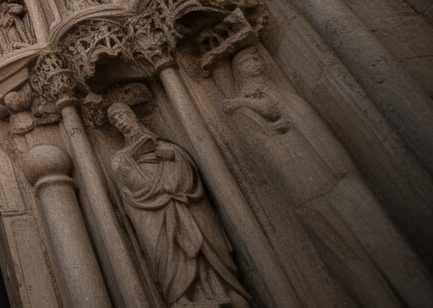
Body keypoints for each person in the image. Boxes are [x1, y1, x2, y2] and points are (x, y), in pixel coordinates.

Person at [223, 48, 433, 307]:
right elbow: (266, 120)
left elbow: (276, 107)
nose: (253, 64)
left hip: (325, 167)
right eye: (246, 62)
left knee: (376, 235)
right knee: (343, 249)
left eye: (255, 59)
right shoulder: (246, 96)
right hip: (303, 177)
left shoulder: (264, 90)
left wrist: (244, 104)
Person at [107, 103, 246, 307]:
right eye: (116, 121)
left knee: (202, 246)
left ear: (132, 116)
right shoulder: (121, 157)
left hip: (182, 202)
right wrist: (132, 157)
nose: (121, 123)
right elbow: (126, 180)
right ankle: (181, 299)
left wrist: (172, 156)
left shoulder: (166, 146)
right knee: (167, 254)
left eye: (122, 116)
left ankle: (219, 289)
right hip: (153, 212)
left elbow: (188, 171)